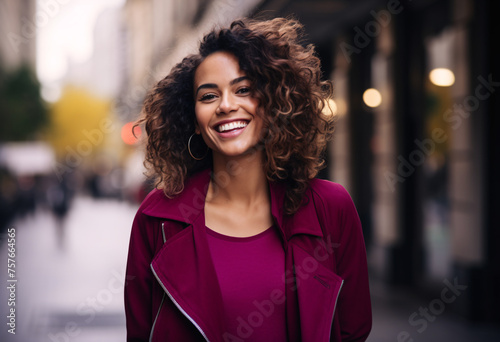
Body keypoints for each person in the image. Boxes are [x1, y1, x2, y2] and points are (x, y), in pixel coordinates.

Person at [124, 17, 372, 342]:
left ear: (272, 104)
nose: (227, 105)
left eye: (243, 90)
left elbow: (353, 329)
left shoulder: (331, 207)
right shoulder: (157, 217)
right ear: (193, 120)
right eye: (208, 96)